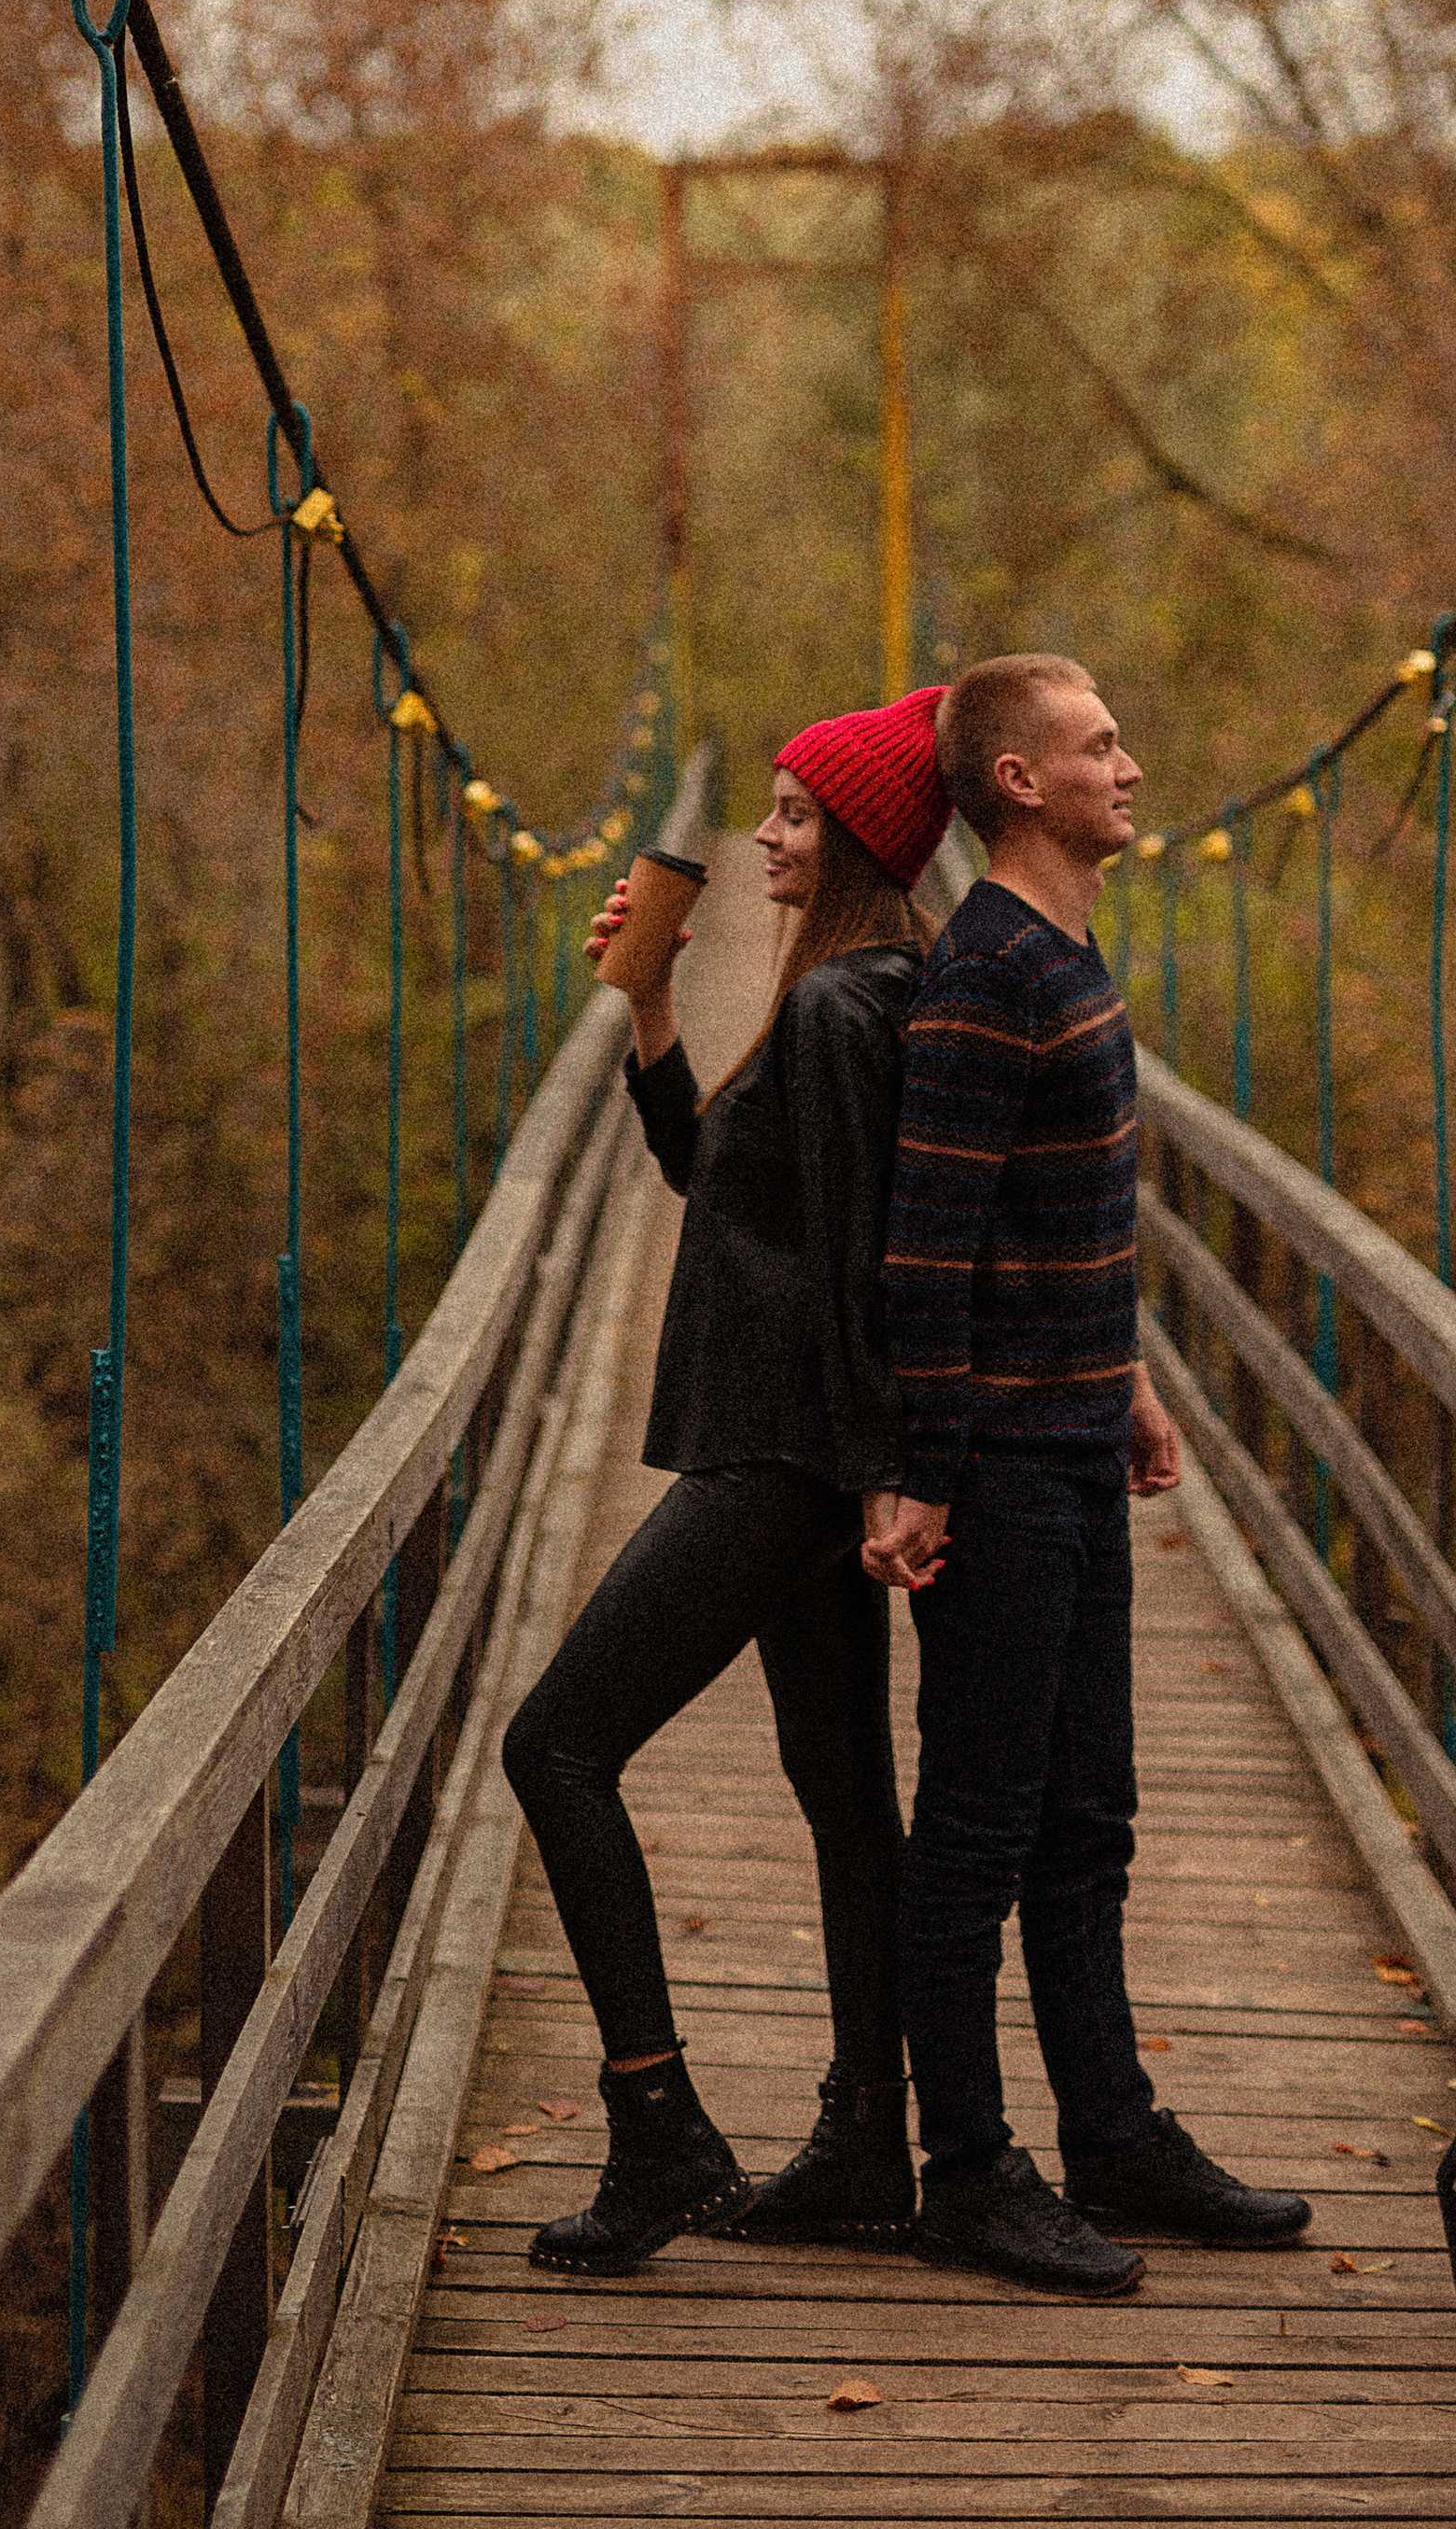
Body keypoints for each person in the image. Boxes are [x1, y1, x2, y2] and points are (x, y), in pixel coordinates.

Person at [864, 653, 1310, 2295]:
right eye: (1097, 743)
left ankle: (1111, 2136)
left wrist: (1119, 1374)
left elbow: (1057, 1211)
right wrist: (925, 1475)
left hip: (1066, 1437)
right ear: (1017, 784)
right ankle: (968, 2171)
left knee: (1089, 1817)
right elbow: (933, 1244)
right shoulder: (986, 974)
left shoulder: (1065, 949)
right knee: (979, 1830)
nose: (1131, 763)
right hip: (991, 1472)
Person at [501, 687, 954, 2276]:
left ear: (856, 843)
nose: (765, 835)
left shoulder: (844, 1011)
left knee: (551, 1745)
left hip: (777, 1455)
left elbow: (857, 1267)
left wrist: (889, 1474)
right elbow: (719, 1178)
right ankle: (863, 2144)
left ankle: (658, 2130)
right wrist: (649, 1007)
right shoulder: (842, 995)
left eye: (793, 816)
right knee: (843, 1798)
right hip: (814, 1456)